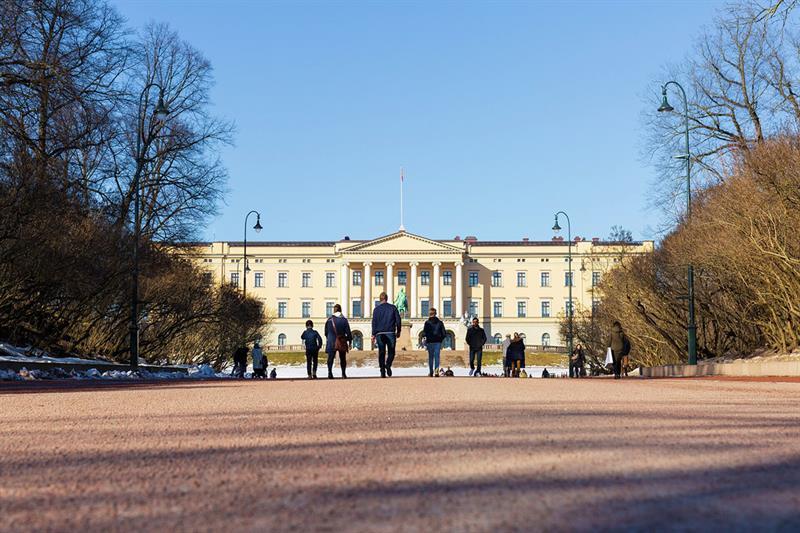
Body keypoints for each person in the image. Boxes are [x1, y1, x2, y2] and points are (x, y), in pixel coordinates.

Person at [371, 291, 402, 378]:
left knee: (381, 352)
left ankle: (382, 371)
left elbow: (374, 323)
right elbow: (398, 320)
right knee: (391, 352)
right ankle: (388, 365)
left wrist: (373, 334)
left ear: (380, 299)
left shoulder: (376, 310)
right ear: (387, 299)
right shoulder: (393, 308)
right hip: (390, 333)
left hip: (379, 334)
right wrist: (398, 331)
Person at [324, 304, 352, 379]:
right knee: (342, 358)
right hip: (341, 340)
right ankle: (343, 374)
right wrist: (349, 340)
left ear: (334, 310)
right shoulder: (344, 320)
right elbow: (348, 332)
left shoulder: (329, 320)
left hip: (331, 340)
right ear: (340, 310)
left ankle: (330, 372)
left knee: (330, 358)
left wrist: (329, 338)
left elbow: (326, 332)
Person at [423, 307, 446, 377]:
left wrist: (426, 339)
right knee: (437, 357)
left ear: (429, 314)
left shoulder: (427, 323)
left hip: (430, 342)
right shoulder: (440, 322)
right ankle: (436, 372)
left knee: (431, 357)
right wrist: (440, 339)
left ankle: (431, 372)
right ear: (435, 313)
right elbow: (444, 333)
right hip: (437, 342)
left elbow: (424, 333)